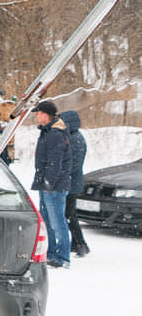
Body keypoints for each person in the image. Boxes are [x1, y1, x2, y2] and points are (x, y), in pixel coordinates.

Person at [31, 100, 72, 269]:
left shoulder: (55, 134)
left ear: (45, 115)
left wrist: (49, 182)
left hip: (54, 187)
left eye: (38, 113)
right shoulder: (47, 132)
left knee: (57, 222)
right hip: (46, 185)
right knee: (46, 221)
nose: (36, 116)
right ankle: (51, 253)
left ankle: (63, 256)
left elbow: (55, 162)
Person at [60, 110, 91, 258]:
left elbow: (73, 164)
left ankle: (81, 244)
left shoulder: (76, 139)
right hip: (70, 182)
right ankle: (77, 243)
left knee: (69, 214)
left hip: (71, 183)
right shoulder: (71, 137)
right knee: (70, 214)